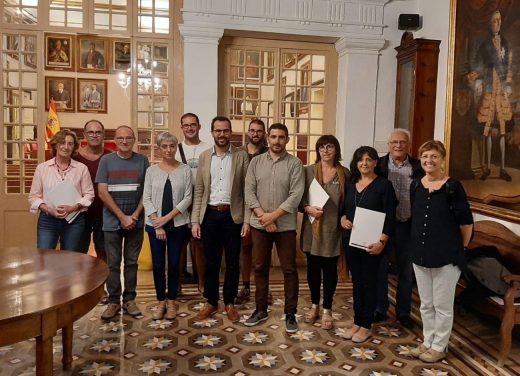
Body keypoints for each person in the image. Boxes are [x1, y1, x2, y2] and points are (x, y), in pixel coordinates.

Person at [409, 140, 473, 363]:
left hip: (447, 257)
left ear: (442, 160)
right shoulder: (416, 185)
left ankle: (440, 345)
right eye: (425, 156)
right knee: (426, 303)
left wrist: (461, 249)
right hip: (420, 254)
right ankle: (427, 341)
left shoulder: (453, 187)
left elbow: (466, 224)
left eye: (434, 156)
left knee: (442, 306)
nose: (429, 161)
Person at [244, 123, 304, 333]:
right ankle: (260, 310)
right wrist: (264, 217)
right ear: (268, 138)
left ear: (287, 139)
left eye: (281, 137)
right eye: (274, 137)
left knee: (289, 269)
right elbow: (249, 191)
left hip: (285, 226)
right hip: (259, 225)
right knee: (259, 268)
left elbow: (295, 196)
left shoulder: (295, 164)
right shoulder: (256, 162)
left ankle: (290, 313)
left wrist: (273, 217)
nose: (277, 141)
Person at [191, 116, 250, 323]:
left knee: (233, 262)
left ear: (230, 132)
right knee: (210, 262)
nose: (222, 134)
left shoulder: (242, 157)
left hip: (233, 216)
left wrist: (247, 220)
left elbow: (247, 190)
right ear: (212, 132)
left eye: (225, 130)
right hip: (209, 216)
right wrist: (195, 220)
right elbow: (199, 189)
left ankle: (230, 302)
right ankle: (211, 301)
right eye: (218, 131)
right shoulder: (205, 157)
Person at [340, 146, 397, 343]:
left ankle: (366, 325)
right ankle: (357, 321)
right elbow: (344, 210)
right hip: (352, 241)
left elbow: (391, 216)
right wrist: (343, 219)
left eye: (369, 159)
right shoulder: (350, 183)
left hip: (374, 244)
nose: (364, 163)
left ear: (375, 163)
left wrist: (382, 241)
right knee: (358, 283)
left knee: (370, 283)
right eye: (360, 159)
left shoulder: (384, 185)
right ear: (356, 163)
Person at [96, 126, 150, 320]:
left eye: (128, 138)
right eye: (121, 138)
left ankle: (129, 300)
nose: (125, 141)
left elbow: (147, 190)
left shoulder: (143, 161)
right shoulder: (106, 161)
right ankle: (113, 302)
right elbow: (102, 192)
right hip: (112, 220)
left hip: (136, 220)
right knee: (112, 263)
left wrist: (134, 215)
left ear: (134, 139)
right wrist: (121, 216)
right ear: (115, 140)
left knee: (131, 262)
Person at [374, 129, 424, 328]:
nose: (398, 145)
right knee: (380, 269)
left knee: (406, 272)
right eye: (394, 142)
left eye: (403, 142)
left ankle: (403, 312)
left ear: (409, 145)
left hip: (408, 225)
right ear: (388, 145)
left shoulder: (419, 167)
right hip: (382, 225)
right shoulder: (378, 166)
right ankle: (380, 308)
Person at [300, 135, 349, 330]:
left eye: (329, 147)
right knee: (313, 269)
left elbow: (350, 202)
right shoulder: (308, 171)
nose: (325, 150)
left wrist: (345, 217)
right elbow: (298, 198)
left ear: (336, 150)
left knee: (330, 270)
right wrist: (307, 208)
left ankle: (327, 309)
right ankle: (314, 305)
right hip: (312, 229)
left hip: (333, 230)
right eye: (321, 147)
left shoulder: (344, 173)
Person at [143, 132, 192, 320]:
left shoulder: (185, 170)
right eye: (164, 146)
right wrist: (158, 223)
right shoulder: (151, 171)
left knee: (173, 263)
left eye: (172, 146)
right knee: (157, 264)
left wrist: (167, 219)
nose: (169, 150)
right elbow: (146, 198)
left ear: (176, 147)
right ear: (159, 148)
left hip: (178, 225)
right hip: (154, 226)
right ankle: (160, 301)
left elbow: (188, 197)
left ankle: (172, 300)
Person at [28, 129, 94, 253]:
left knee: (70, 259)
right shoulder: (42, 168)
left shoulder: (81, 169)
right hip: (48, 220)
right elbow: (33, 197)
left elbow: (89, 195)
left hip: (74, 220)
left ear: (74, 147)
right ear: (56, 145)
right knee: (44, 257)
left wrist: (73, 208)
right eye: (62, 143)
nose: (66, 147)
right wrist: (50, 210)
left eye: (70, 144)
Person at [467, 10, 513, 182]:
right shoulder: (484, 44)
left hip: (500, 89)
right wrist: (476, 81)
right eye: (495, 21)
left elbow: (508, 65)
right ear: (490, 23)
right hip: (488, 86)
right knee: (487, 130)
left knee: (501, 131)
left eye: (500, 20)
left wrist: (507, 85)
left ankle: (502, 168)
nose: (498, 23)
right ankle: (486, 167)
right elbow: (478, 65)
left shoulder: (505, 43)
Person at [74, 120, 112, 301]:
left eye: (98, 132)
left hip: (104, 213)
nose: (95, 135)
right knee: (78, 253)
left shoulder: (110, 157)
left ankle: (101, 289)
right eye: (91, 132)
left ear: (104, 135)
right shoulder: (75, 158)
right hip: (79, 213)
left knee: (103, 252)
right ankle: (82, 289)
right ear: (84, 135)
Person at [175, 113, 212, 293]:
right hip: (181, 200)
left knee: (199, 242)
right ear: (181, 128)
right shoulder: (175, 148)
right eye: (186, 125)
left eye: (193, 125)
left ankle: (202, 281)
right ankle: (179, 280)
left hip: (202, 200)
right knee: (180, 242)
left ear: (199, 126)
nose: (189, 128)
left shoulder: (209, 148)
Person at [235, 119, 269, 305]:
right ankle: (246, 286)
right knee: (245, 248)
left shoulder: (269, 153)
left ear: (264, 133)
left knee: (262, 251)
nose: (255, 134)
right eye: (252, 131)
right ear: (248, 132)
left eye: (259, 131)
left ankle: (264, 288)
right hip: (240, 206)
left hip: (261, 208)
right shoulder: (238, 153)